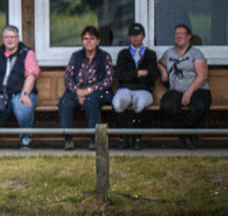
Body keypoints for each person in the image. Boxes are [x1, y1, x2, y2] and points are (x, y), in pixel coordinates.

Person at [0, 25, 40, 150]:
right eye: (7, 37)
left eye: (12, 37)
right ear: (3, 39)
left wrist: (25, 94)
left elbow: (32, 74)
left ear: (18, 38)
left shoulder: (27, 53)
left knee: (24, 108)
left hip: (20, 92)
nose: (10, 40)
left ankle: (25, 139)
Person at [58, 25, 114, 150]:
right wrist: (78, 92)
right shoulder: (76, 56)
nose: (88, 42)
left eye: (92, 38)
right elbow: (68, 78)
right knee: (65, 102)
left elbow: (108, 81)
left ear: (98, 41)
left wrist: (87, 91)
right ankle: (68, 140)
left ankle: (94, 140)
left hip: (99, 92)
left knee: (91, 101)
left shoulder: (105, 57)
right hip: (77, 91)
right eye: (85, 38)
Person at [158, 23, 211, 149]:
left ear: (189, 37)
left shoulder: (195, 53)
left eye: (182, 34)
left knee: (199, 106)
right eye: (176, 34)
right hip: (176, 90)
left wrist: (189, 92)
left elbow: (202, 76)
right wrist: (162, 70)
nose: (178, 36)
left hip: (198, 90)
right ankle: (188, 136)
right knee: (166, 106)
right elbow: (159, 62)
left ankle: (186, 135)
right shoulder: (168, 53)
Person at [112, 22, 159, 150]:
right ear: (129, 37)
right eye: (132, 35)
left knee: (140, 102)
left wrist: (131, 75)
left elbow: (152, 76)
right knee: (117, 102)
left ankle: (137, 138)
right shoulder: (123, 54)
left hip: (144, 90)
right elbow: (120, 76)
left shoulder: (151, 54)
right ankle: (123, 137)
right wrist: (138, 73)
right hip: (125, 89)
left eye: (138, 35)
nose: (135, 37)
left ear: (143, 36)